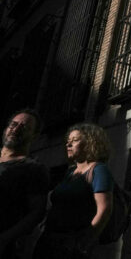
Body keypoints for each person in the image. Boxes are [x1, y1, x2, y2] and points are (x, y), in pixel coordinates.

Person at [34, 123, 114, 259]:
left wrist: (83, 243)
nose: (68, 145)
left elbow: (105, 210)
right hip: (48, 239)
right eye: (68, 141)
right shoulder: (71, 172)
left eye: (75, 140)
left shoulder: (99, 170)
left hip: (68, 245)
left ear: (90, 143)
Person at [0, 109, 49, 258]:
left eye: (24, 127)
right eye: (13, 124)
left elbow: (37, 212)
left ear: (34, 136)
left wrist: (4, 238)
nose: (15, 129)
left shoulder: (34, 169)